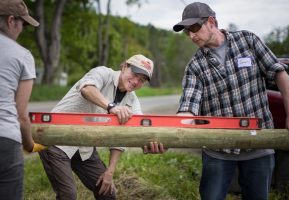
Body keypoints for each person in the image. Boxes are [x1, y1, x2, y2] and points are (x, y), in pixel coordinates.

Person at [173, 2, 289, 200]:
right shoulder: (195, 66)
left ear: (212, 22)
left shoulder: (248, 41)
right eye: (187, 32)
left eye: (194, 28)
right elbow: (188, 108)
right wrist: (170, 134)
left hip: (259, 144)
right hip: (218, 151)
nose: (191, 36)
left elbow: (279, 73)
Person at [39, 54, 165, 200]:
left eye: (142, 80)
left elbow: (135, 131)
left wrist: (150, 144)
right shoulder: (103, 73)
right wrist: (111, 106)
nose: (136, 81)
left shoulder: (131, 100)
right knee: (68, 195)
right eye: (135, 74)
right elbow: (87, 89)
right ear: (124, 67)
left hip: (84, 146)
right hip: (57, 138)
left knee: (107, 193)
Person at [0, 0, 47, 199]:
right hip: (5, 140)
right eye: (23, 24)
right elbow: (21, 115)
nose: (22, 30)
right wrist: (29, 144)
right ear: (11, 21)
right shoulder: (22, 55)